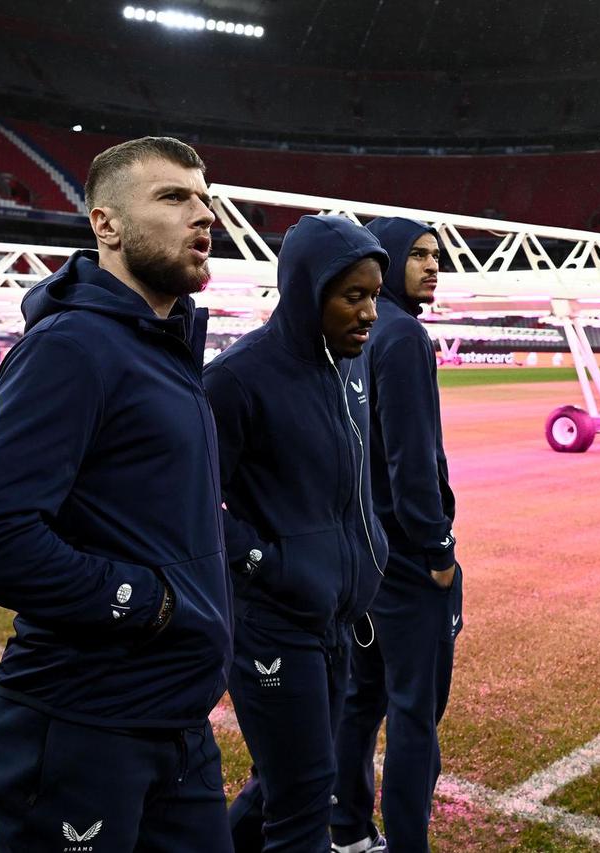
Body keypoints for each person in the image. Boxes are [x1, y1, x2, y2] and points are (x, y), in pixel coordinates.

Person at [0, 136, 233, 852]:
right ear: (106, 225)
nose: (203, 216)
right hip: (83, 723)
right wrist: (147, 600)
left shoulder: (164, 346)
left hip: (175, 722)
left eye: (204, 199)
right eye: (173, 198)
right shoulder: (72, 348)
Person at [204, 214, 390, 853]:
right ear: (308, 291)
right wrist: (267, 563)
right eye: (352, 296)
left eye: (373, 295)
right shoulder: (236, 378)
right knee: (305, 799)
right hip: (273, 622)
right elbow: (194, 506)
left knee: (285, 784)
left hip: (336, 616)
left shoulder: (351, 368)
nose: (369, 312)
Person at [331, 218, 463, 853]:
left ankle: (349, 831)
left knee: (360, 702)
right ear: (385, 264)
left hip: (361, 556)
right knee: (414, 716)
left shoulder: (353, 329)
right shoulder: (404, 334)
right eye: (417, 256)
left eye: (435, 256)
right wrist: (438, 550)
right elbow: (413, 460)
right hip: (409, 561)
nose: (432, 266)